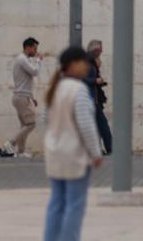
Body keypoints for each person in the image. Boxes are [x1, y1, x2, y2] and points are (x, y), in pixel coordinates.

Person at [42, 45, 103, 241]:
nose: (87, 66)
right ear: (74, 64)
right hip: (74, 155)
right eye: (84, 62)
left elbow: (46, 119)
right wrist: (96, 153)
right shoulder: (79, 90)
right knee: (75, 204)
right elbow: (87, 126)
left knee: (56, 202)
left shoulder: (55, 88)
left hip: (55, 153)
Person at [11, 37, 42, 157]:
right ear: (28, 48)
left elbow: (26, 81)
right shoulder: (22, 59)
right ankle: (11, 143)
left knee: (24, 125)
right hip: (21, 97)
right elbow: (35, 72)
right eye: (34, 48)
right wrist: (39, 61)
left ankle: (21, 151)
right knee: (31, 124)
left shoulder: (24, 60)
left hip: (22, 96)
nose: (36, 51)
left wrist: (32, 97)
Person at [85, 40, 111, 154]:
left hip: (94, 98)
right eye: (100, 50)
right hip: (91, 99)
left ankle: (99, 149)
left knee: (97, 125)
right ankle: (110, 148)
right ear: (95, 50)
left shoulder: (91, 62)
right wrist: (95, 80)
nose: (102, 51)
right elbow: (81, 79)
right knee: (102, 124)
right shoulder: (87, 62)